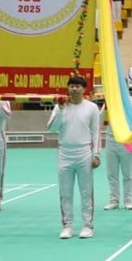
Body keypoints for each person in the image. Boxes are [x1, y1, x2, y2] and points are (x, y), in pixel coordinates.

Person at [47, 75, 101, 239]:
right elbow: (51, 129)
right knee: (65, 191)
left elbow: (96, 132)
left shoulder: (91, 108)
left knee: (86, 191)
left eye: (78, 86)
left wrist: (96, 154)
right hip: (65, 152)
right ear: (68, 88)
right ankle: (67, 225)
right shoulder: (60, 107)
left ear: (84, 89)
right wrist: (61, 109)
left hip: (84, 152)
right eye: (71, 86)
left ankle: (87, 225)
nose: (74, 89)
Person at [102, 94, 132, 211]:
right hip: (111, 139)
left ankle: (128, 200)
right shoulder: (109, 100)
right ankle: (113, 200)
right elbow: (102, 120)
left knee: (128, 173)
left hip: (127, 139)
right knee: (111, 173)